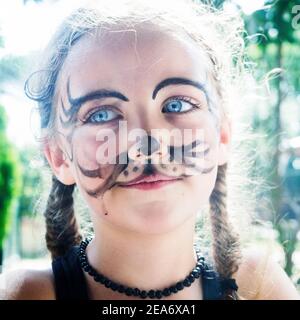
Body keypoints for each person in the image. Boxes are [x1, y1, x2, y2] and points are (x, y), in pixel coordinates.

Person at [1, 0, 299, 300]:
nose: (147, 146)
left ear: (222, 136)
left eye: (176, 105)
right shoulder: (26, 294)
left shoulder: (259, 287)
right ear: (58, 156)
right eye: (101, 115)